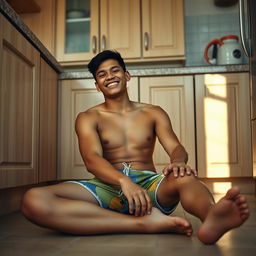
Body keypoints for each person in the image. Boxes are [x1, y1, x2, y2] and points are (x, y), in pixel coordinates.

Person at [21, 50, 249, 244]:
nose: (109, 76)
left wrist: (179, 162)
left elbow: (176, 147)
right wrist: (123, 181)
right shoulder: (88, 117)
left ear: (126, 75)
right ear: (97, 85)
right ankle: (142, 223)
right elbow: (92, 158)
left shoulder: (153, 112)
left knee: (185, 177)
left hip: (150, 187)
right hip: (107, 186)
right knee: (33, 200)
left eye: (114, 70)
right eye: (102, 74)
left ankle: (211, 216)